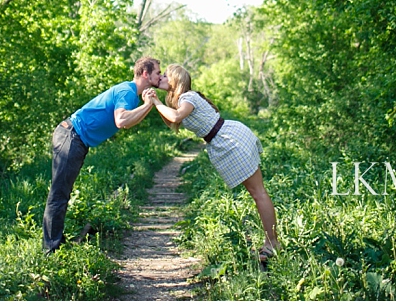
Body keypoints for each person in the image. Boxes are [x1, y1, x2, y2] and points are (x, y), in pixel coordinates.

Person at [143, 64, 279, 262]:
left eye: (165, 76)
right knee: (257, 193)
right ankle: (271, 242)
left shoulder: (187, 98)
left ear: (175, 80)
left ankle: (273, 243)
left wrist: (155, 102)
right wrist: (153, 101)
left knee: (259, 193)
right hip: (223, 140)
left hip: (230, 139)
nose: (161, 78)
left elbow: (176, 117)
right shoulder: (182, 100)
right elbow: (172, 120)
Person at [43, 57, 163, 253]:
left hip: (76, 139)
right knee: (59, 194)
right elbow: (121, 121)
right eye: (158, 72)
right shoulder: (127, 91)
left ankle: (56, 243)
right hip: (71, 135)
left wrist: (148, 105)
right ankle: (50, 251)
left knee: (63, 192)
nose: (160, 76)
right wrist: (147, 104)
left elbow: (128, 123)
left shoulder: (133, 95)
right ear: (145, 73)